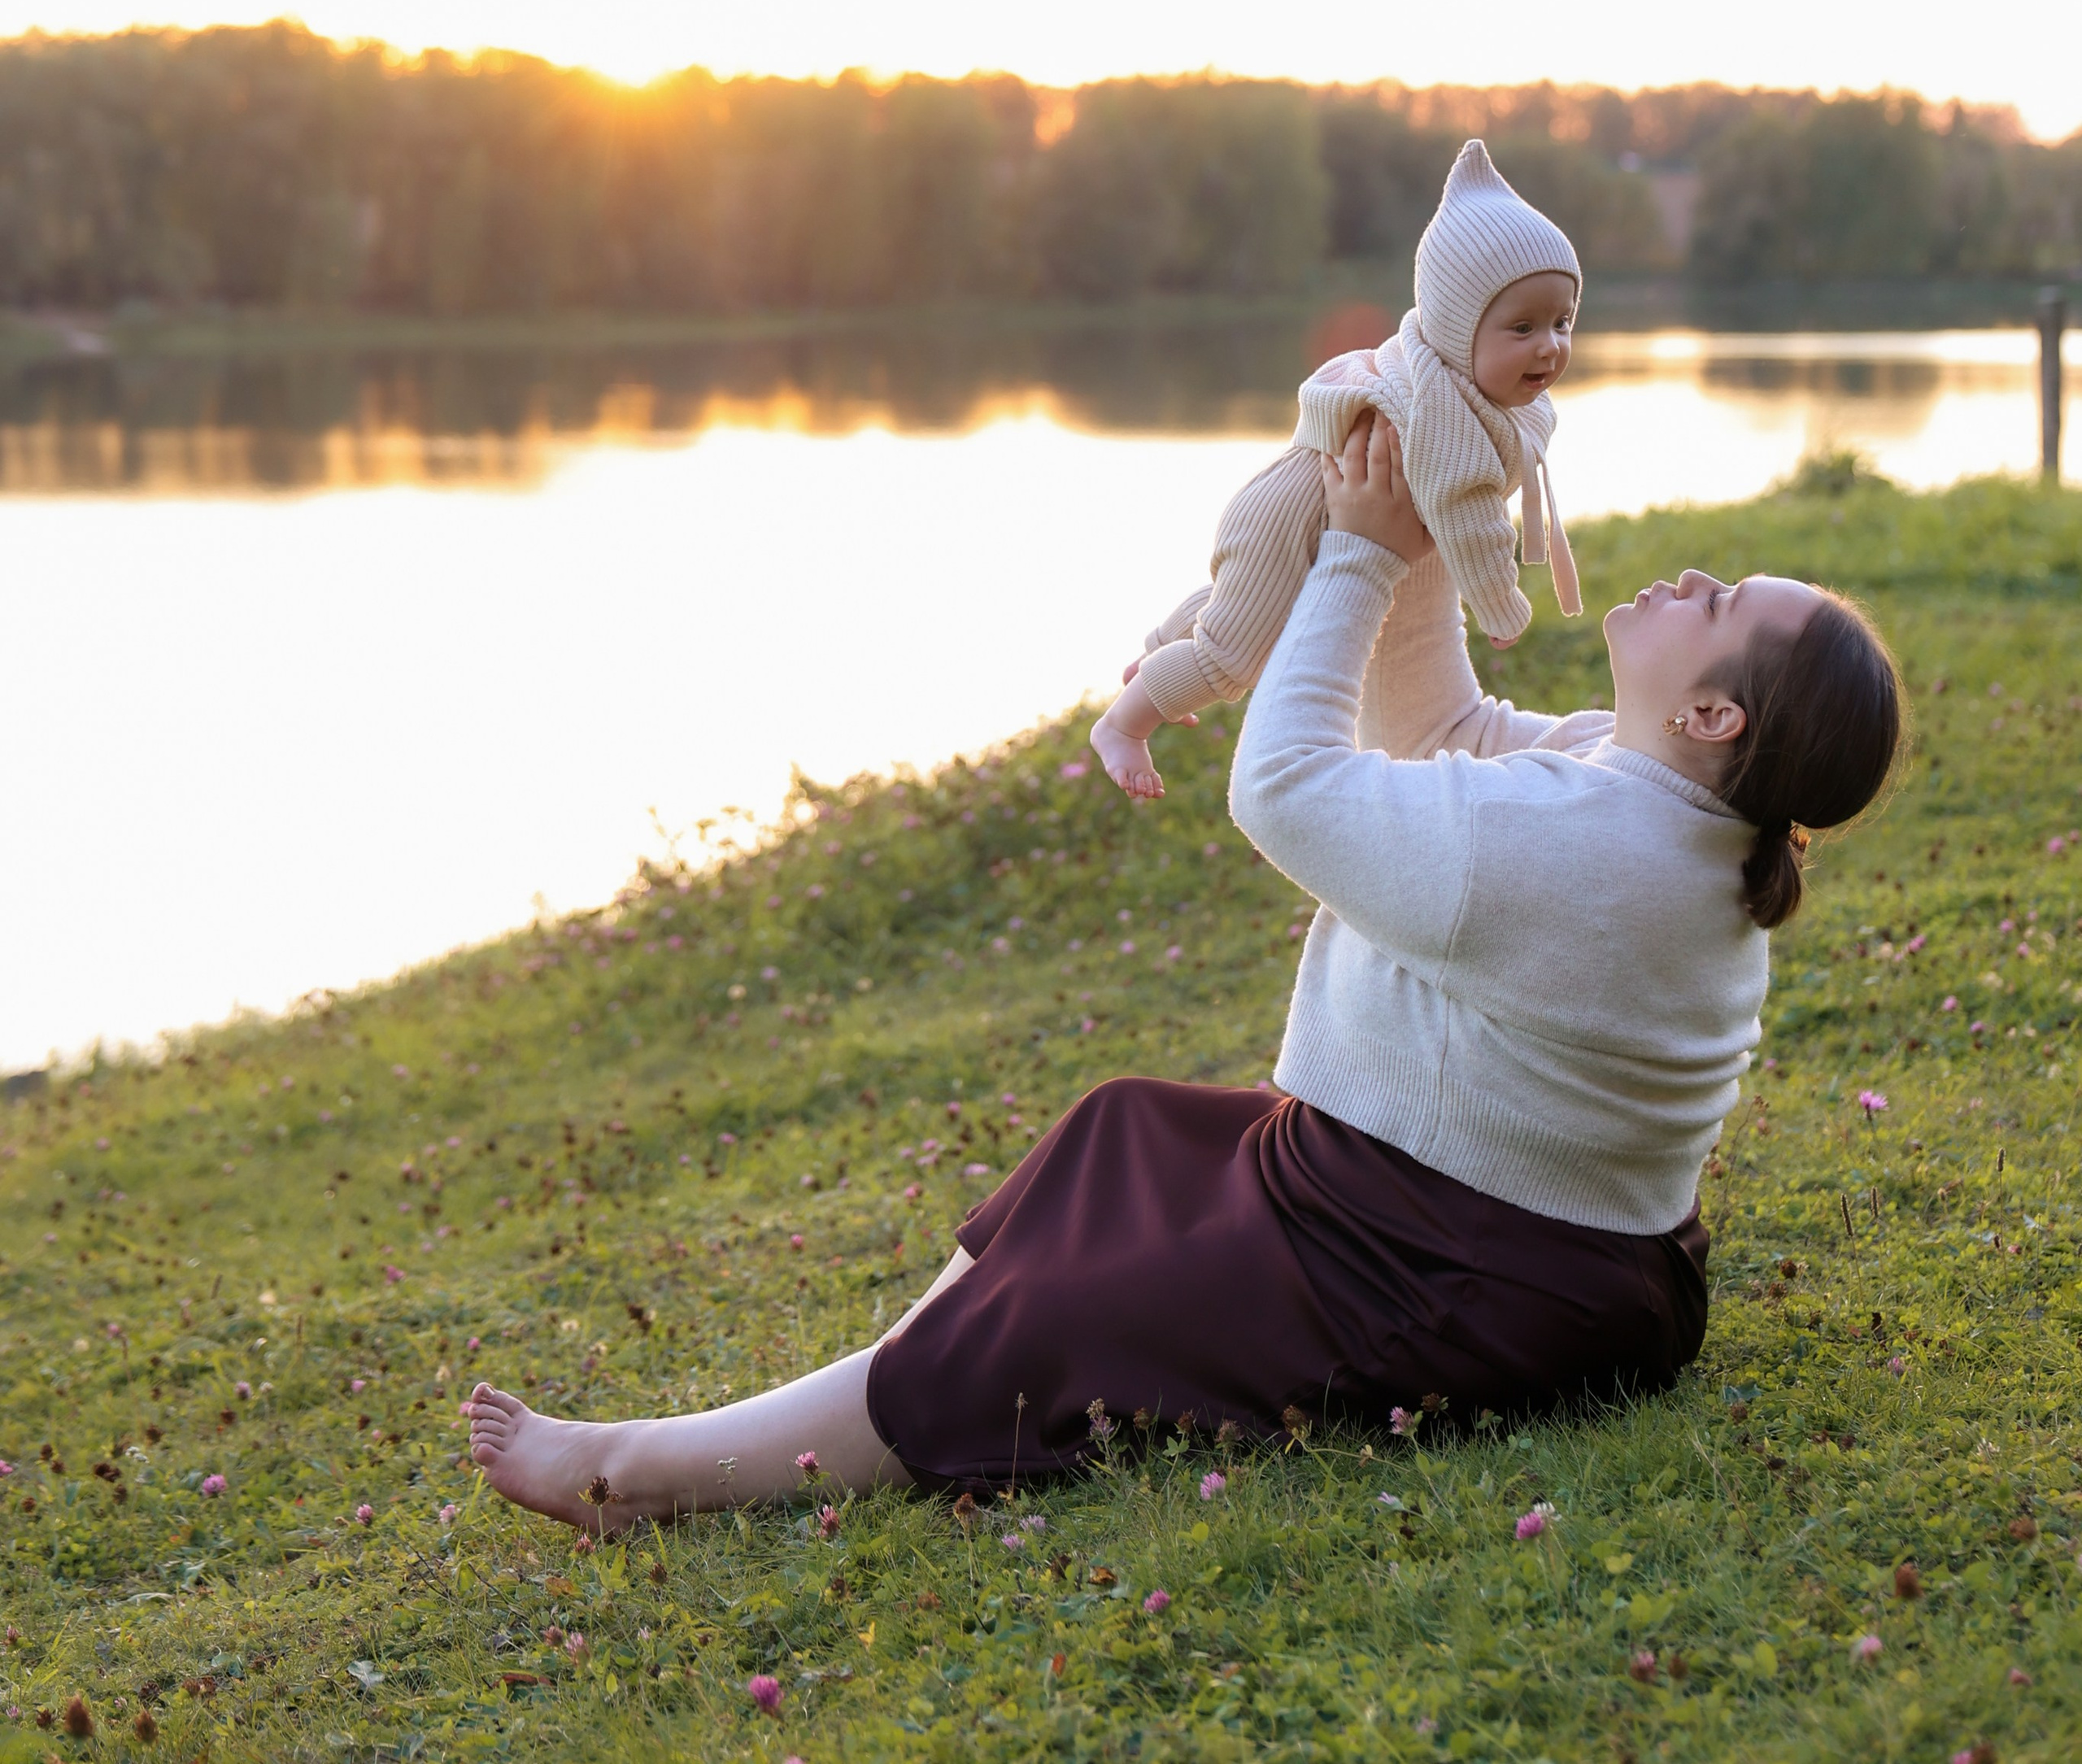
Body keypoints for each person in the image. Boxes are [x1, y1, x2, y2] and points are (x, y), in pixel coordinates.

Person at [462, 416, 1902, 1530]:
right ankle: (854, 1389)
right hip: (1515, 1239)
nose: (1693, 574)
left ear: (1714, 711)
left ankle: (649, 1473)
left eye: (1722, 600)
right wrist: (1402, 544)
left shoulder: (1591, 843)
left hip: (1470, 1274)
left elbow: (1286, 790)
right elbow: (1449, 730)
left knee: (1069, 1314)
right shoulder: (1639, 789)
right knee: (1120, 1134)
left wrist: (1344, 556)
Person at [1089, 139, 1584, 799]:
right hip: (1293, 521)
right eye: (1521, 328)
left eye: (1562, 321)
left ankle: (1158, 650)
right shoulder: (1444, 409)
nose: (1549, 346)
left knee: (1257, 603)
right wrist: (1500, 603)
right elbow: (1465, 506)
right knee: (1234, 659)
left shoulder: (1477, 391)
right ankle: (1124, 725)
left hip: (1305, 508)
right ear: (1457, 327)